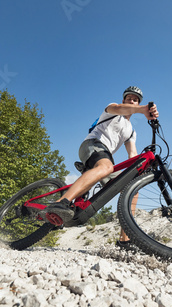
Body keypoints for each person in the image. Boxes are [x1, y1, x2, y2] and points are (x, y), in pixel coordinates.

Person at [42, 86, 159, 249]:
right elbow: (119, 108)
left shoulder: (131, 131)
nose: (132, 101)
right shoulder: (113, 110)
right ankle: (62, 202)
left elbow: (133, 154)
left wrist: (142, 168)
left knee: (133, 188)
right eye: (129, 98)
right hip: (92, 144)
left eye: (136, 99)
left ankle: (124, 240)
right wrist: (143, 109)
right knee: (106, 166)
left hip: (105, 156)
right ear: (124, 100)